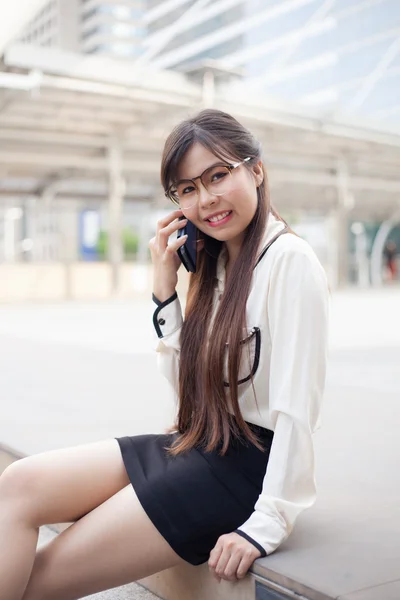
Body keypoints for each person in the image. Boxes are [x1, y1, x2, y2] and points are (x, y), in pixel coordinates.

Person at [0, 109, 330, 600]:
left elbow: (297, 410)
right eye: (188, 189)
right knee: (19, 482)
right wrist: (165, 292)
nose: (206, 199)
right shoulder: (215, 265)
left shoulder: (289, 262)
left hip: (244, 474)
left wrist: (266, 523)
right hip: (199, 444)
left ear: (255, 169)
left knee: (40, 580)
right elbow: (188, 390)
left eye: (218, 175)